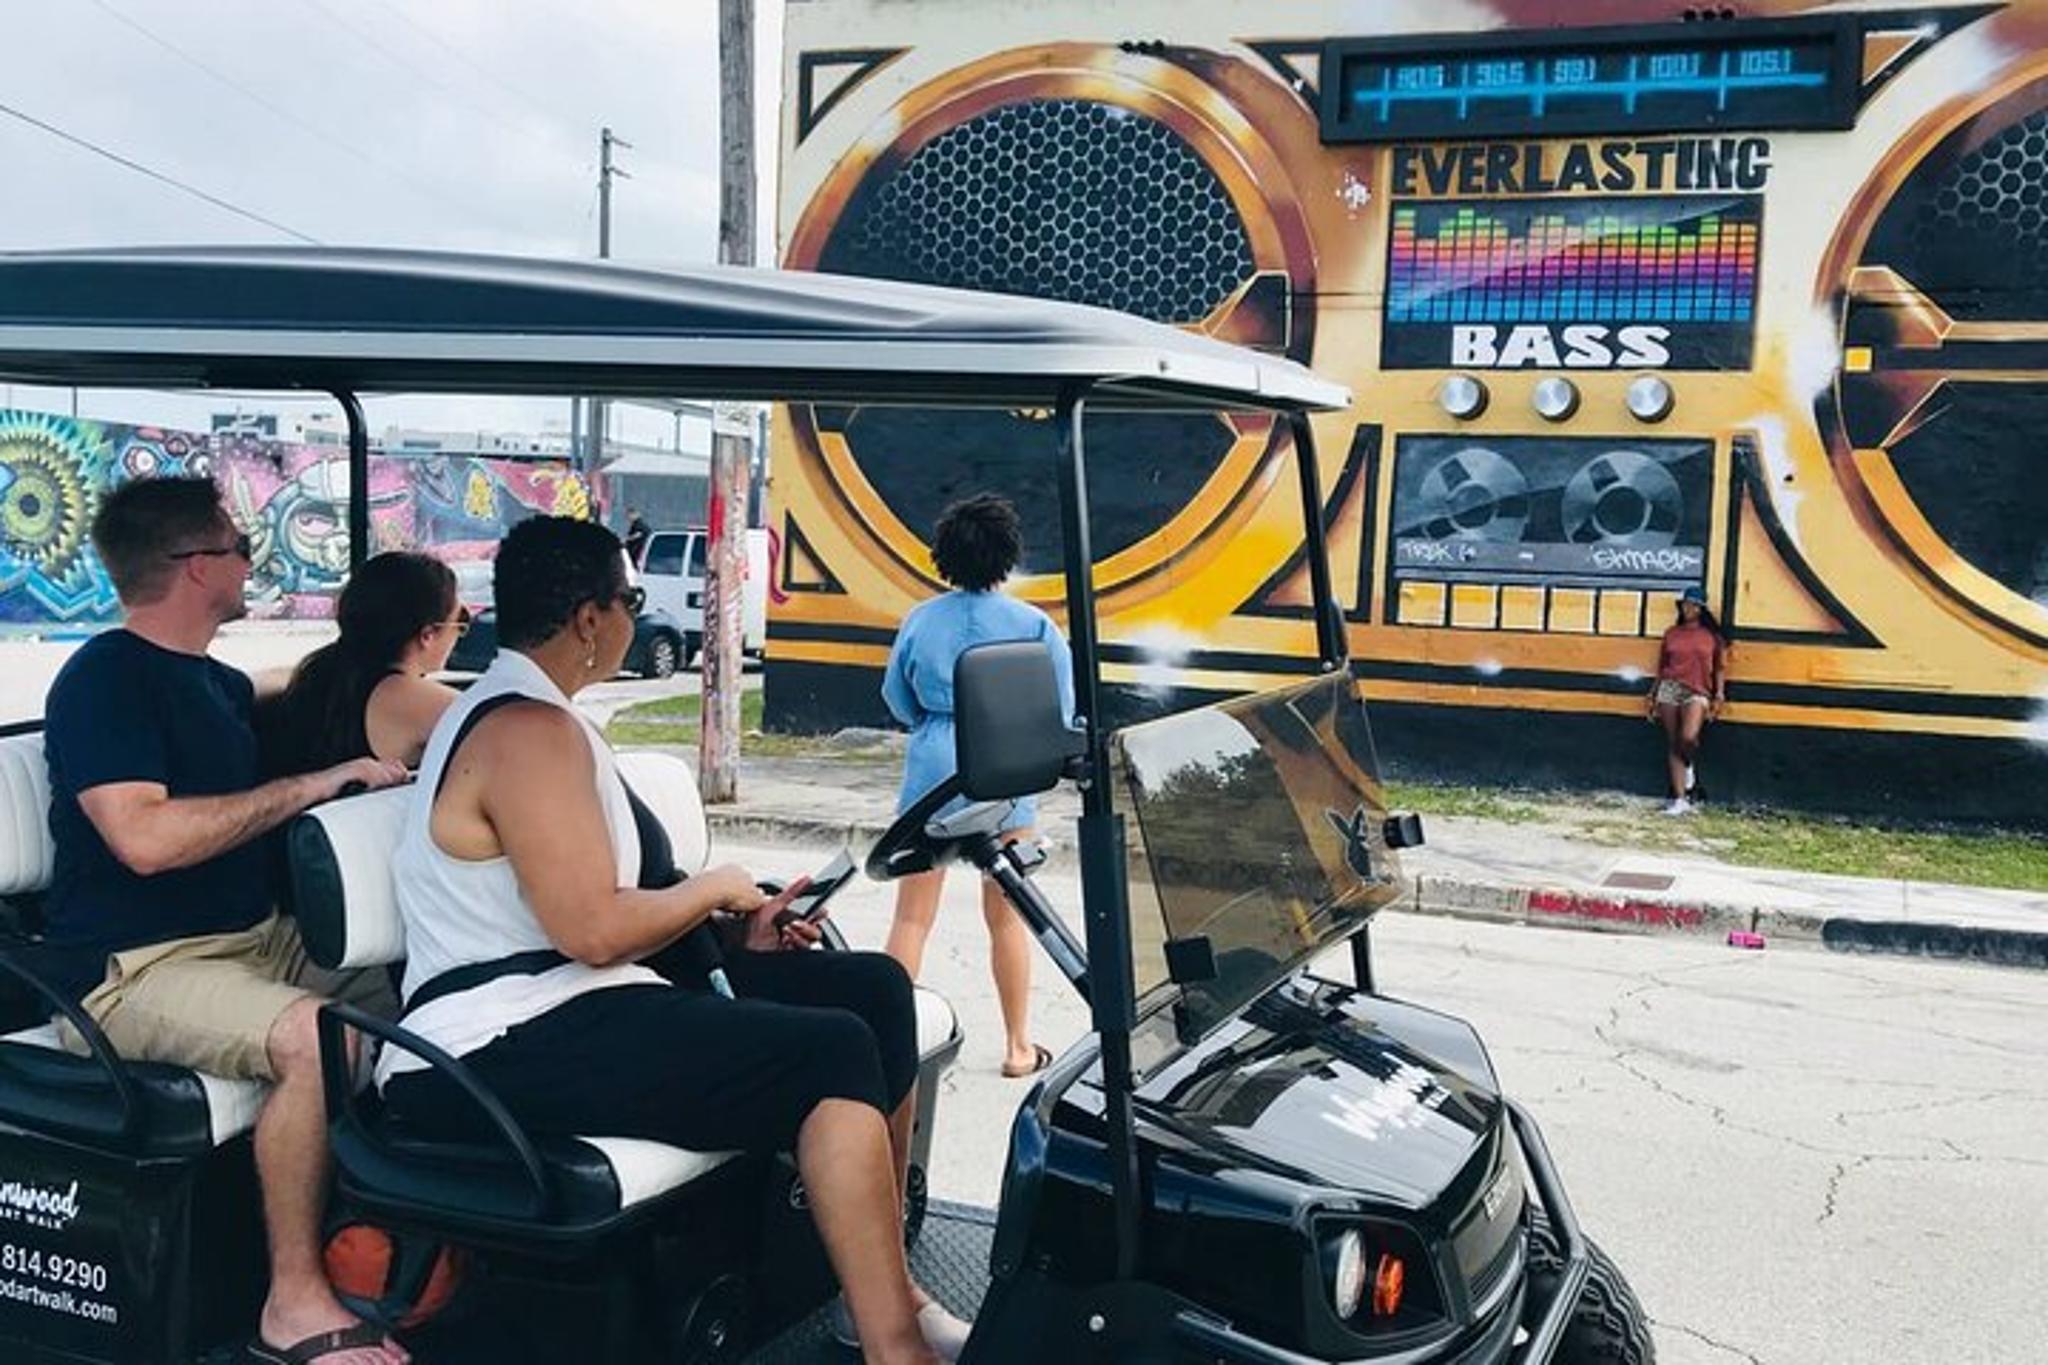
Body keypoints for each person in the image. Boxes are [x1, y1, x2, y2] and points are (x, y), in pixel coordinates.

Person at [378, 516, 963, 1365]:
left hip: (569, 997)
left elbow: (590, 914)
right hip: (488, 1040)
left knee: (873, 990)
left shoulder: (540, 718)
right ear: (589, 618)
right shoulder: (524, 733)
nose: (635, 614)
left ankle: (880, 1289)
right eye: (632, 598)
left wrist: (730, 930)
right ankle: (893, 1345)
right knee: (830, 1049)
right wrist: (714, 886)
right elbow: (590, 928)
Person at [40, 476, 412, 1365]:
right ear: (198, 565)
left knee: (421, 990)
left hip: (250, 940)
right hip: (132, 969)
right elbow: (143, 839)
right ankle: (291, 1299)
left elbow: (293, 695)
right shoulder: (106, 678)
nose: (253, 562)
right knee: (317, 1038)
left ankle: (396, 1232)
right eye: (242, 547)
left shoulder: (214, 682)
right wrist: (311, 786)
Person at [881, 494, 1072, 1079]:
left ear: (944, 555)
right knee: (1008, 915)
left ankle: (887, 1043)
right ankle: (1017, 1046)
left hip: (933, 774)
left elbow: (897, 698)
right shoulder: (1034, 625)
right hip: (1003, 769)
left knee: (912, 918)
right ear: (1007, 555)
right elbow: (1060, 709)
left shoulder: (920, 620)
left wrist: (932, 726)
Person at [257, 552, 466, 777]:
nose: (460, 633)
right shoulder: (403, 695)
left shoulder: (323, 672)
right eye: (461, 620)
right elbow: (490, 727)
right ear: (427, 635)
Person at [1646, 584, 1729, 816]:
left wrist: (1719, 694)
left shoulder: (1712, 637)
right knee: (1673, 742)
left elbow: (1719, 668)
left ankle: (1689, 766)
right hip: (1670, 687)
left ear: (1701, 609)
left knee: (1688, 737)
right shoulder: (1672, 633)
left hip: (1698, 690)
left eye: (1693, 606)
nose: (1688, 609)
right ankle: (1680, 798)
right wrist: (1652, 694)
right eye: (1685, 605)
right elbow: (1662, 666)